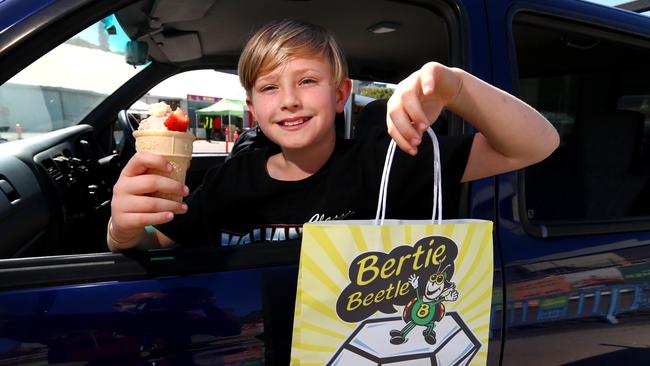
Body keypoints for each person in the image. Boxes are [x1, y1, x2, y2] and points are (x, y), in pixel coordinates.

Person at [107, 19, 559, 251]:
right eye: (268, 87)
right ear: (252, 109)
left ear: (341, 94)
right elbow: (164, 244)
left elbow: (537, 144)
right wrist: (122, 231)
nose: (288, 100)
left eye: (306, 81)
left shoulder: (388, 163)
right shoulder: (232, 178)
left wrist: (455, 86)